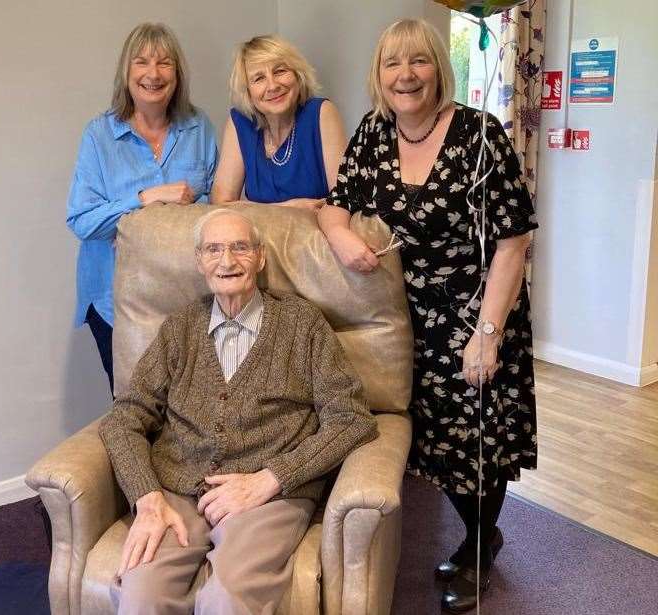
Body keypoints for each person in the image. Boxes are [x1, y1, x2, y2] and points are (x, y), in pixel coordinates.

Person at [318, 19, 538, 613]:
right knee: (436, 445)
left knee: (480, 443)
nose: (405, 75)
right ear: (379, 75)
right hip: (402, 323)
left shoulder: (481, 135)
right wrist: (342, 240)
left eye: (418, 62)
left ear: (439, 68)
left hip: (477, 315)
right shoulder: (371, 133)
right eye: (393, 64)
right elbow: (334, 208)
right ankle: (479, 536)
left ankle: (477, 547)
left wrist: (487, 335)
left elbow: (513, 242)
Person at [99, 209, 377, 615]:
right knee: (142, 598)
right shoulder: (180, 329)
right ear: (199, 263)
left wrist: (272, 478)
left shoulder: (302, 324)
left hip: (268, 498)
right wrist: (146, 497)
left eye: (239, 247)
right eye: (213, 249)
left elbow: (351, 418)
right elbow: (125, 416)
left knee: (227, 599)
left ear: (260, 258)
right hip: (179, 489)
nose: (227, 261)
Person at [67, 23, 218, 394]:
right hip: (114, 302)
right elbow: (81, 219)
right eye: (142, 62)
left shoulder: (199, 128)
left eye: (164, 63)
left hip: (189, 298)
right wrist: (144, 199)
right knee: (135, 410)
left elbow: (221, 208)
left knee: (195, 409)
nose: (153, 74)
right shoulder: (99, 135)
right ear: (127, 72)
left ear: (177, 74)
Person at [210, 35, 346, 210]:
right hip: (257, 235)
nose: (272, 86)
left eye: (280, 71)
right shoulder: (241, 122)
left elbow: (343, 200)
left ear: (298, 75)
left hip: (314, 234)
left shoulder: (321, 113)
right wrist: (289, 208)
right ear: (248, 92)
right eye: (259, 78)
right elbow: (221, 204)